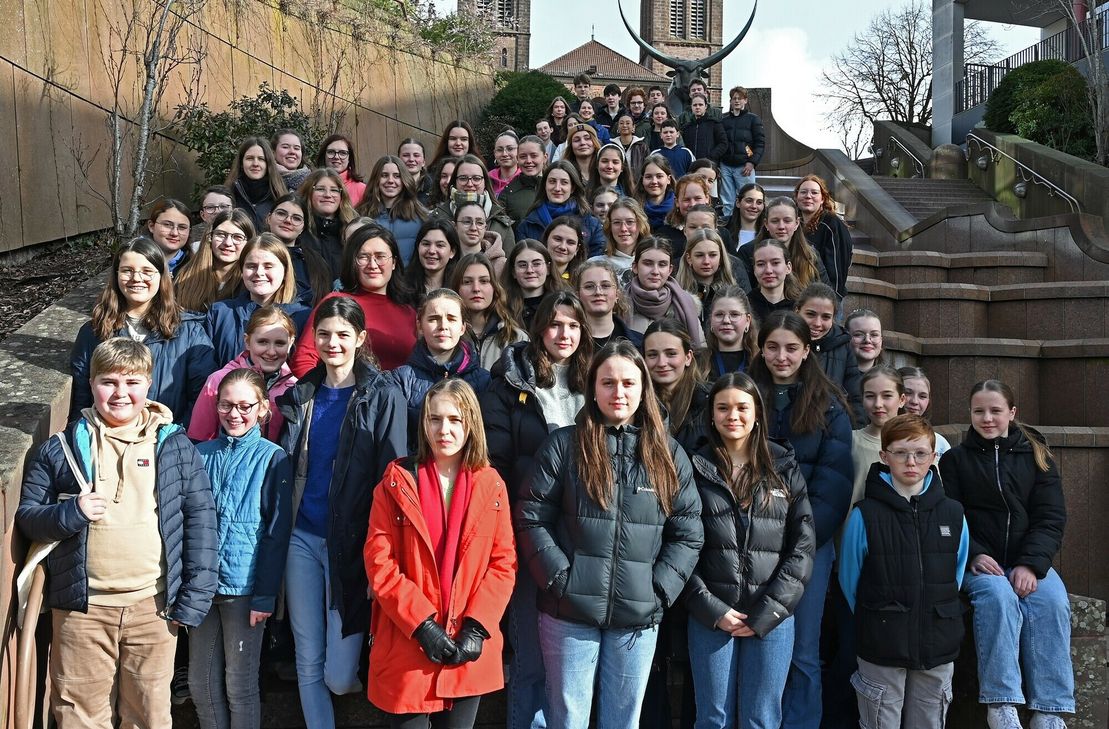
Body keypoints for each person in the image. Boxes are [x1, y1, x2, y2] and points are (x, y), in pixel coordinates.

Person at [18, 337, 217, 729]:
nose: (120, 393)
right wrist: (71, 512)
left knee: (148, 717)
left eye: (132, 382)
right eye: (109, 382)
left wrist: (192, 600)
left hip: (153, 608)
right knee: (79, 716)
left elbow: (201, 521)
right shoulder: (60, 449)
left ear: (149, 384)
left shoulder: (174, 446)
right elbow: (29, 517)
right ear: (92, 384)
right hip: (82, 611)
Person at [514, 340, 704, 729]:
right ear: (593, 388)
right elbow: (532, 516)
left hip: (637, 617)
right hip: (568, 613)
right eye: (608, 382)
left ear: (643, 388)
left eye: (628, 383)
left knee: (623, 722)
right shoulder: (564, 445)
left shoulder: (667, 454)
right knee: (567, 720)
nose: (619, 392)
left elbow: (688, 531)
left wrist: (658, 589)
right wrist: (560, 579)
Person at [277, 295, 407, 729]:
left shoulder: (382, 394)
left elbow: (393, 476)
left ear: (361, 338)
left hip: (352, 545)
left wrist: (384, 554)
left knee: (337, 675)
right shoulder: (301, 395)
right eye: (324, 334)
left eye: (342, 335)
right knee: (307, 654)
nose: (332, 343)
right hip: (301, 537)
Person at [364, 379, 516, 728]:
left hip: (466, 642)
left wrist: (477, 627)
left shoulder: (491, 483)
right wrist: (422, 625)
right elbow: (379, 561)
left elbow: (503, 563)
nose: (443, 429)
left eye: (454, 419)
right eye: (434, 419)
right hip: (408, 642)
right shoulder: (396, 481)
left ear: (471, 423)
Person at [480, 292, 593, 729]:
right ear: (539, 328)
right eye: (555, 324)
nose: (564, 334)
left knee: (573, 667)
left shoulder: (595, 380)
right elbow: (496, 467)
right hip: (529, 534)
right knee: (531, 659)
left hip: (586, 536)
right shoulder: (510, 385)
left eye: (573, 325)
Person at [939, 380, 1074, 729]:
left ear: (1011, 413)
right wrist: (973, 554)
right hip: (981, 562)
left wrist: (1030, 564)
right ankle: (1002, 703)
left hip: (1028, 558)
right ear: (970, 414)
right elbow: (951, 516)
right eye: (979, 411)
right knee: (998, 598)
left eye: (995, 411)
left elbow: (1050, 517)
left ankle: (1049, 709)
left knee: (1052, 602)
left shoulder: (1037, 456)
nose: (987, 418)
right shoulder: (955, 460)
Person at [684, 372, 816, 729]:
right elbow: (680, 547)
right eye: (723, 408)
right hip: (712, 616)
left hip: (771, 616)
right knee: (713, 719)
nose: (733, 416)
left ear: (757, 412)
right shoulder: (693, 468)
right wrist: (712, 609)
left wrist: (769, 611)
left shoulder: (784, 467)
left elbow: (802, 547)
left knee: (762, 719)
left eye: (742, 407)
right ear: (711, 415)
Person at [748, 310, 853, 729]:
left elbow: (833, 482)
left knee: (803, 650)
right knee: (758, 641)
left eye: (792, 348)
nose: (782, 356)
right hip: (749, 542)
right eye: (772, 347)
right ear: (761, 349)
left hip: (809, 546)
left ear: (807, 351)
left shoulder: (830, 407)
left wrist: (803, 539)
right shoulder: (744, 394)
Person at [839, 414, 969, 729]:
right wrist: (878, 616)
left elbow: (956, 573)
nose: (911, 462)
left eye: (920, 453)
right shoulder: (865, 515)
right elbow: (850, 578)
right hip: (882, 642)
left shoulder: (953, 514)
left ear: (934, 457)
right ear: (884, 456)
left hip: (937, 642)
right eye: (900, 453)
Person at [191, 367, 293, 729]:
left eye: (244, 406)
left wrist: (265, 596)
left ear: (263, 408)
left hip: (245, 590)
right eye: (226, 405)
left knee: (240, 685)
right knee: (200, 684)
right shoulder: (201, 454)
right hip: (203, 587)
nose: (234, 414)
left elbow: (276, 532)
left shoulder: (273, 457)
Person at [70, 238, 217, 424]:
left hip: (168, 435)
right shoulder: (94, 331)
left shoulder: (190, 332)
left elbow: (201, 399)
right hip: (106, 436)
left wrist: (174, 437)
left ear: (162, 276)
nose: (137, 278)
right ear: (116, 275)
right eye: (127, 271)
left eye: (147, 271)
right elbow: (81, 399)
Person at [290, 225, 417, 375]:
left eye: (380, 256)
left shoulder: (409, 312)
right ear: (352, 262)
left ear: (394, 262)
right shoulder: (336, 303)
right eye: (363, 257)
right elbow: (304, 360)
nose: (372, 265)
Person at [389, 288, 491, 439]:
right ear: (420, 326)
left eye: (451, 319)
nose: (443, 326)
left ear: (462, 327)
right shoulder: (401, 380)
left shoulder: (484, 381)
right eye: (433, 319)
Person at [190, 306, 298, 443]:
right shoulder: (218, 380)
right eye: (262, 342)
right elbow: (199, 437)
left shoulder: (294, 388)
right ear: (247, 341)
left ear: (290, 343)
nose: (271, 352)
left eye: (280, 343)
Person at [204, 233, 311, 364]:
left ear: (285, 271)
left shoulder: (304, 316)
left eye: (268, 266)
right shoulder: (219, 313)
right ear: (242, 271)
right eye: (251, 266)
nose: (259, 273)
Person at [796, 283, 863, 423]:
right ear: (797, 311)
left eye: (826, 317)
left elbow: (856, 398)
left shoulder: (844, 346)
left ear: (833, 318)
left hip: (832, 427)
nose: (817, 323)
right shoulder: (783, 341)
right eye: (810, 314)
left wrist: (851, 430)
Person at [450, 252, 528, 370]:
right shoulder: (445, 335)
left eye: (484, 281)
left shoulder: (517, 339)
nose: (476, 288)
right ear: (456, 289)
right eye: (467, 282)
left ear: (494, 287)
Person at [643, 318, 709, 452]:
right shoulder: (637, 403)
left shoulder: (709, 402)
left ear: (688, 357)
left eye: (671, 354)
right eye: (652, 355)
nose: (661, 363)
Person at [516, 160, 605, 258]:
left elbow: (595, 262)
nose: (557, 188)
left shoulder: (591, 224)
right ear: (545, 185)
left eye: (564, 182)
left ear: (573, 188)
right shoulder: (528, 224)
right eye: (552, 181)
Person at [625, 237, 705, 346]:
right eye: (648, 263)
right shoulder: (619, 305)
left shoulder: (686, 305)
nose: (655, 271)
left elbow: (700, 349)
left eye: (662, 264)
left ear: (670, 270)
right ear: (635, 267)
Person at [173, 209, 255, 314]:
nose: (228, 243)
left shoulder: (253, 281)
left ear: (249, 242)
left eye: (237, 237)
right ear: (210, 237)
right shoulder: (185, 276)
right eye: (221, 234)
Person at [431, 154, 516, 253]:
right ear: (455, 182)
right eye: (463, 178)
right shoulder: (437, 218)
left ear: (485, 182)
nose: (470, 184)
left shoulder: (501, 222)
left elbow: (510, 261)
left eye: (476, 178)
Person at [851, 366, 907, 508]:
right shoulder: (850, 441)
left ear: (902, 400)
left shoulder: (917, 445)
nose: (877, 404)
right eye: (870, 396)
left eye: (887, 396)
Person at [264, 193, 333, 307]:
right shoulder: (251, 254)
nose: (288, 220)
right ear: (268, 218)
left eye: (296, 218)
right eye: (281, 213)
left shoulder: (317, 263)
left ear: (302, 228)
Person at [358, 155, 428, 265]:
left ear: (404, 179)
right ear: (376, 179)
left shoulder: (421, 215)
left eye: (397, 176)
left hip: (410, 275)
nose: (390, 180)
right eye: (384, 175)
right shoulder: (361, 215)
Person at [748, 197, 828, 292]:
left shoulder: (810, 255)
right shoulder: (749, 252)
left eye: (787, 221)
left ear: (797, 223)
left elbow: (825, 294)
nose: (781, 226)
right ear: (766, 224)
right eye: (775, 221)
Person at [796, 175, 853, 301]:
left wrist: (833, 299)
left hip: (827, 298)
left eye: (814, 192)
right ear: (796, 197)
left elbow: (838, 268)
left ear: (822, 199)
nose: (808, 196)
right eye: (803, 192)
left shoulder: (831, 224)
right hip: (803, 296)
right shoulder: (794, 224)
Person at [298, 168, 360, 281]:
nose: (327, 195)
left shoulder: (354, 233)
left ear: (341, 195)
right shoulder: (297, 232)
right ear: (309, 193)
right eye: (320, 189)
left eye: (334, 190)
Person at [719, 87, 765, 223]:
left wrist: (752, 162)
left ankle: (748, 223)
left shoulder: (753, 119)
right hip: (726, 165)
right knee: (727, 199)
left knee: (748, 197)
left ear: (745, 100)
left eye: (740, 98)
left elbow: (760, 143)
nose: (737, 101)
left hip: (744, 166)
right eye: (734, 98)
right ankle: (728, 223)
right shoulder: (724, 120)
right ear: (730, 101)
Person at [573, 259, 642, 349]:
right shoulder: (568, 342)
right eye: (589, 286)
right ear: (578, 295)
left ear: (617, 294)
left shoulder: (640, 343)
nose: (598, 292)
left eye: (605, 286)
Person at [677, 227, 740, 323]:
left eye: (712, 255)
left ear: (721, 258)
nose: (706, 261)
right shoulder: (677, 294)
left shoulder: (734, 295)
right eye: (699, 255)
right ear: (689, 258)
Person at [226, 137, 288, 233]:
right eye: (250, 158)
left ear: (268, 163)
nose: (255, 163)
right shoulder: (229, 196)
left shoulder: (280, 196)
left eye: (261, 159)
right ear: (241, 163)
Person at [501, 239, 562, 334]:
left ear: (548, 268)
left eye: (536, 264)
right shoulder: (501, 308)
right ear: (513, 272)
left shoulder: (563, 304)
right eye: (522, 265)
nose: (529, 270)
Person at [703, 285, 759, 379]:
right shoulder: (698, 363)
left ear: (748, 321)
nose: (726, 320)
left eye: (734, 314)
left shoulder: (761, 363)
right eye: (719, 314)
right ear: (711, 320)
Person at [596, 196, 651, 286]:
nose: (623, 229)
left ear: (640, 224)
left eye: (630, 222)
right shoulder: (596, 264)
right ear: (609, 227)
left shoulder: (654, 262)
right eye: (617, 222)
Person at [898, 366, 952, 456]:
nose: (915, 401)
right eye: (907, 393)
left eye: (922, 396)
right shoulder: (879, 438)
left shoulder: (940, 444)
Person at [498, 135, 547, 225]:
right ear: (517, 159)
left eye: (534, 156)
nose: (528, 161)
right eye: (523, 156)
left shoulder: (556, 187)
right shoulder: (508, 194)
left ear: (545, 158)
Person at [406, 219, 460, 298]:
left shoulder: (460, 286)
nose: (431, 251)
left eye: (440, 245)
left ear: (452, 252)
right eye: (426, 244)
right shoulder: (402, 286)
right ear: (418, 247)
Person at [749, 239, 800, 324]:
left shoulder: (800, 306)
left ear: (788, 267)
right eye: (761, 264)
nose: (768, 270)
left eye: (775, 263)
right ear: (754, 269)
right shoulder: (745, 305)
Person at [314, 133, 367, 207]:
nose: (336, 157)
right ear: (324, 156)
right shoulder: (312, 185)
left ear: (349, 158)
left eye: (342, 153)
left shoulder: (362, 189)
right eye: (331, 152)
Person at [146, 199, 194, 274]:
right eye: (167, 225)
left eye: (182, 227)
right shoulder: (132, 260)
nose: (174, 233)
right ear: (151, 226)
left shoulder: (197, 269)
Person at [681, 93, 727, 162]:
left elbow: (723, 143)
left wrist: (711, 157)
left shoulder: (714, 124)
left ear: (705, 106)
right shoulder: (687, 127)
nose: (697, 107)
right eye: (695, 105)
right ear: (691, 107)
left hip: (709, 164)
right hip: (691, 164)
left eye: (700, 105)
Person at [636, 155, 677, 230]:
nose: (654, 181)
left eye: (659, 176)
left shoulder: (678, 208)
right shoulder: (633, 209)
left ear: (668, 179)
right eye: (648, 177)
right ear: (642, 180)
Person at [542, 215, 586, 281]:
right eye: (557, 239)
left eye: (570, 242)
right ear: (546, 240)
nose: (563, 247)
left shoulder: (582, 281)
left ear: (577, 249)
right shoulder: (531, 275)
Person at [190, 187, 234, 253]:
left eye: (223, 206)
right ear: (202, 215)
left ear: (234, 211)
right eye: (210, 207)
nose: (217, 211)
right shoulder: (194, 249)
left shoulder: (244, 243)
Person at [560, 121, 602, 187]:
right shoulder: (564, 171)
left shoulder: (604, 169)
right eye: (577, 140)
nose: (582, 143)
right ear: (571, 146)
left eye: (587, 138)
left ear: (594, 142)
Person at [611, 111, 649, 178]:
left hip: (638, 182)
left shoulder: (642, 147)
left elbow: (648, 166)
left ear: (633, 127)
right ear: (618, 127)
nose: (624, 125)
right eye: (621, 123)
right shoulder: (612, 147)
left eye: (628, 123)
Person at [846, 308, 884, 375]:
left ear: (881, 340)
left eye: (874, 335)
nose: (867, 340)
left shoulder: (892, 379)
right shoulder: (830, 374)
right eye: (858, 334)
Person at [727, 182, 765, 249]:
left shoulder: (768, 233)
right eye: (749, 201)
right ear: (738, 203)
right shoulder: (724, 231)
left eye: (759, 202)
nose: (754, 206)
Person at [397, 138, 430, 204]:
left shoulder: (434, 188)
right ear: (398, 160)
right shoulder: (391, 186)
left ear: (424, 162)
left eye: (416, 155)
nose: (411, 159)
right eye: (406, 155)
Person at [490, 130, 521, 196]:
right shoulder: (487, 180)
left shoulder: (527, 179)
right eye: (499, 150)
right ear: (494, 153)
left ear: (519, 151)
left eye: (510, 149)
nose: (504, 154)